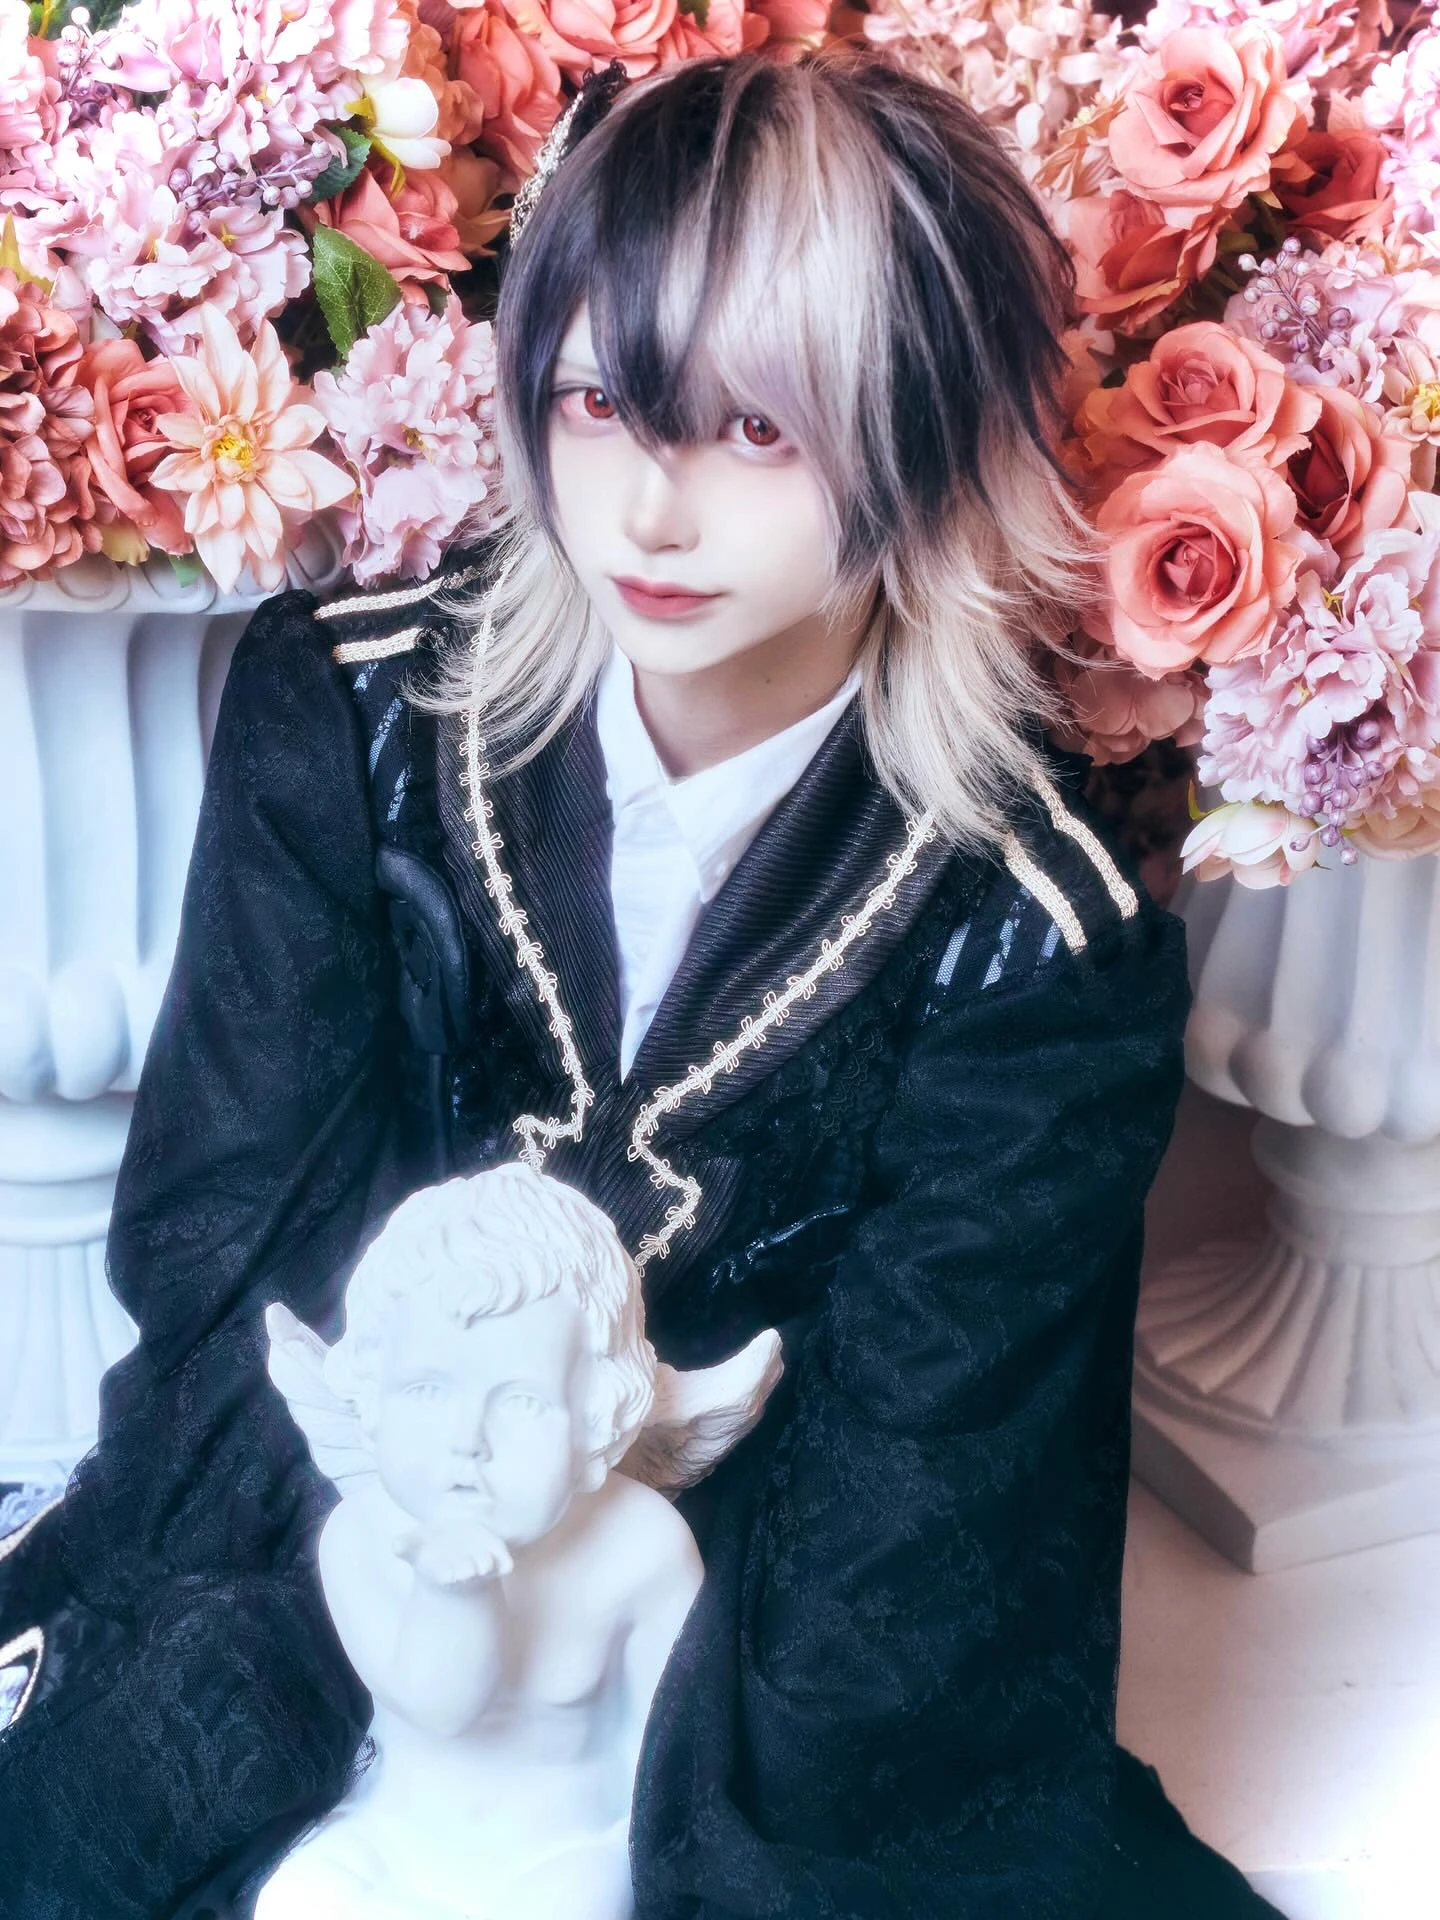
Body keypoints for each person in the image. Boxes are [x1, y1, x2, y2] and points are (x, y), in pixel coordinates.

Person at [0, 49, 1284, 1920]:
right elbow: (224, 1255)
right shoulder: (352, 713)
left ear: (926, 428)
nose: (650, 516)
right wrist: (384, 1597)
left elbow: (923, 1497)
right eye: (599, 401)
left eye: (760, 428)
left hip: (759, 1615)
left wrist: (625, 1749)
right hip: (336, 1514)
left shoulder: (1037, 933)